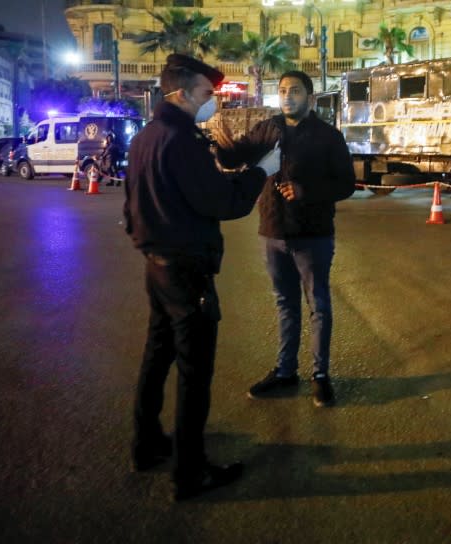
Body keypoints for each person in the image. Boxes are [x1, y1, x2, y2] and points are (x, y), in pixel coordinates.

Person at [122, 54, 281, 500]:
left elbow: (130, 206)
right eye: (208, 95)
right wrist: (260, 173)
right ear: (182, 94)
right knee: (195, 372)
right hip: (188, 270)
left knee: (157, 356)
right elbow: (221, 202)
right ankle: (191, 472)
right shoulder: (182, 141)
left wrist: (146, 244)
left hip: (157, 266)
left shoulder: (146, 137)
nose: (214, 102)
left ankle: (147, 444)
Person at [213, 70, 356, 408]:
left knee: (318, 305)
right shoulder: (268, 128)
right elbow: (238, 157)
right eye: (283, 91)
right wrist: (222, 145)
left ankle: (320, 376)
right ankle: (285, 372)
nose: (288, 96)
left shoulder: (327, 136)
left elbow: (346, 183)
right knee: (285, 305)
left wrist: (307, 191)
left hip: (314, 235)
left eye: (295, 90)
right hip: (273, 232)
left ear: (310, 96)